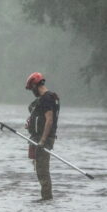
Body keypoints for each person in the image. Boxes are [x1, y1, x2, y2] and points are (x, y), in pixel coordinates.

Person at [24, 72, 60, 200]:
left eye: (31, 89)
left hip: (43, 140)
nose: (32, 92)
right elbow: (41, 117)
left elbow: (49, 120)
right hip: (38, 138)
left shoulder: (47, 98)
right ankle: (46, 200)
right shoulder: (47, 98)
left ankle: (47, 200)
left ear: (35, 85)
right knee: (40, 170)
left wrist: (42, 141)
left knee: (43, 172)